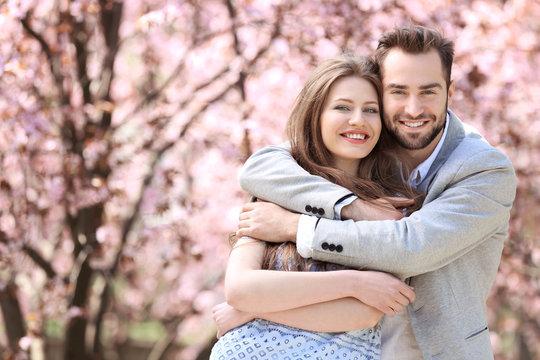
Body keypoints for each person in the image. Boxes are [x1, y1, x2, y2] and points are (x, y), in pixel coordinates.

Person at [235, 25, 517, 360]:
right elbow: (261, 167)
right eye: (398, 92)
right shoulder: (363, 145)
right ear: (380, 92)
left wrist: (296, 227)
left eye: (428, 91)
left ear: (450, 91)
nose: (413, 109)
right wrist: (352, 206)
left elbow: (412, 248)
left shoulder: (484, 169)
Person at [210, 55, 421, 360]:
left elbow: (361, 314)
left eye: (371, 110)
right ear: (316, 114)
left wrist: (253, 310)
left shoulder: (389, 208)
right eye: (342, 107)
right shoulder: (278, 190)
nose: (358, 120)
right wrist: (355, 282)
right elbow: (241, 290)